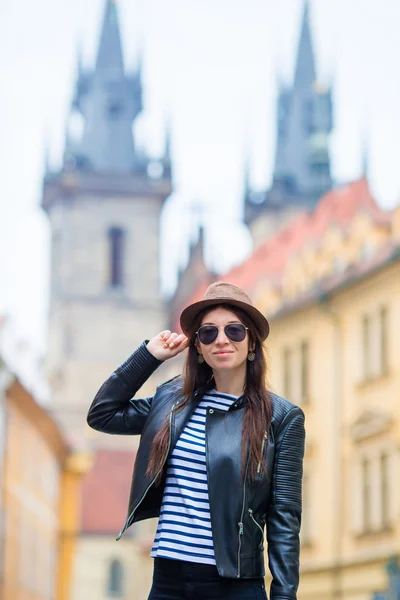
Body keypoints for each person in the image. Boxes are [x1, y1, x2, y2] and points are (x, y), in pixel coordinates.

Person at [87, 281, 305, 600]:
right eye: (208, 333)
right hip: (168, 580)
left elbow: (284, 519)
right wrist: (149, 356)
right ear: (199, 348)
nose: (221, 340)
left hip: (233, 586)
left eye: (234, 331)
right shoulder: (173, 401)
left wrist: (284, 596)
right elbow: (102, 414)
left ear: (252, 343)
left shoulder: (281, 418)